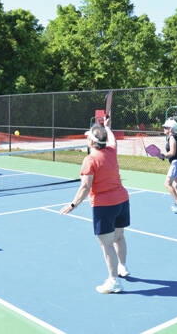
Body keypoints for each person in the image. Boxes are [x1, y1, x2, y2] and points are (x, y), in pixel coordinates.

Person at [60, 116, 130, 294]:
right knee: (119, 237)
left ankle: (113, 281)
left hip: (104, 206)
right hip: (122, 200)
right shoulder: (112, 150)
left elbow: (85, 186)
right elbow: (112, 138)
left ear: (91, 141)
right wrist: (108, 127)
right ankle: (122, 267)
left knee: (106, 244)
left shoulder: (90, 160)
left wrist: (73, 204)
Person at [160, 119, 177, 212]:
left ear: (170, 129)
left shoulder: (172, 138)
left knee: (167, 184)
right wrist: (163, 156)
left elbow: (172, 152)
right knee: (176, 185)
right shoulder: (174, 137)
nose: (164, 128)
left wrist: (163, 155)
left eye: (165, 127)